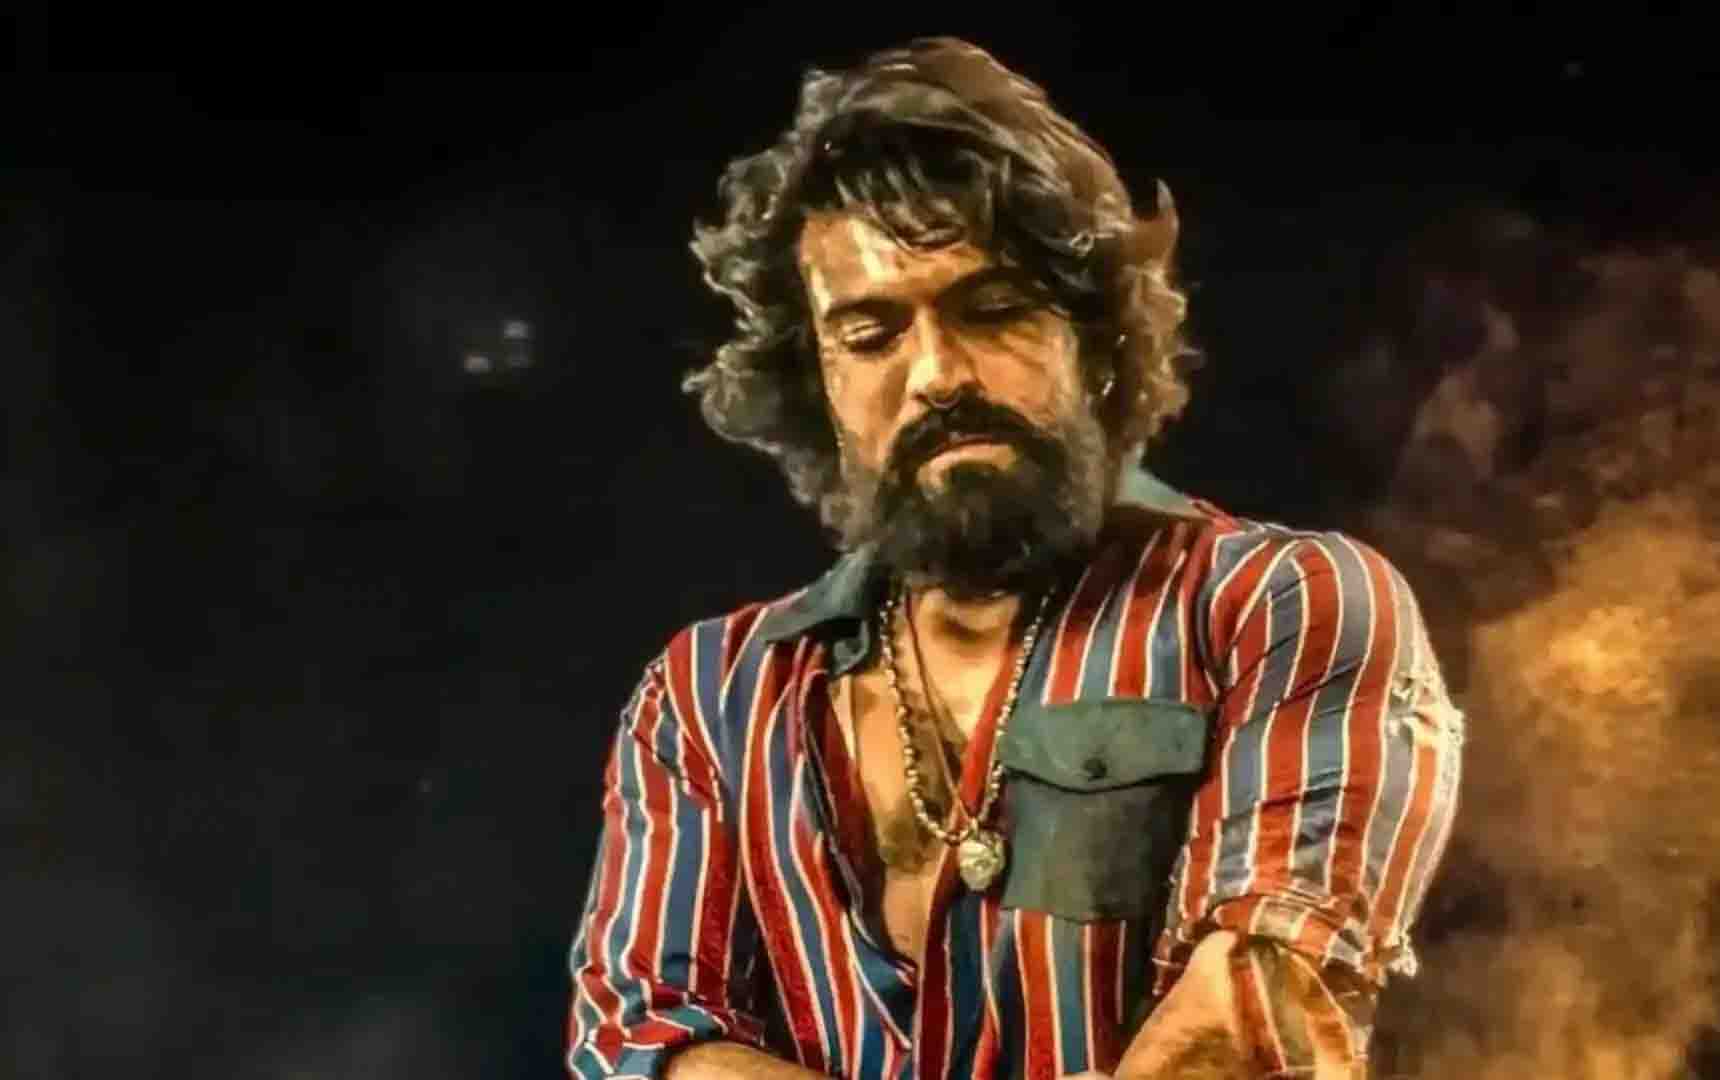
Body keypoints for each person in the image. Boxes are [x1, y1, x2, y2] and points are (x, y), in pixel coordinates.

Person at [565, 36, 1465, 1080]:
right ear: (815, 384)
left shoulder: (1280, 605)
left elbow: (1261, 1018)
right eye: (870, 334)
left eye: (993, 311)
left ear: (1098, 342)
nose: (938, 374)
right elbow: (640, 1036)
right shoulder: (710, 696)